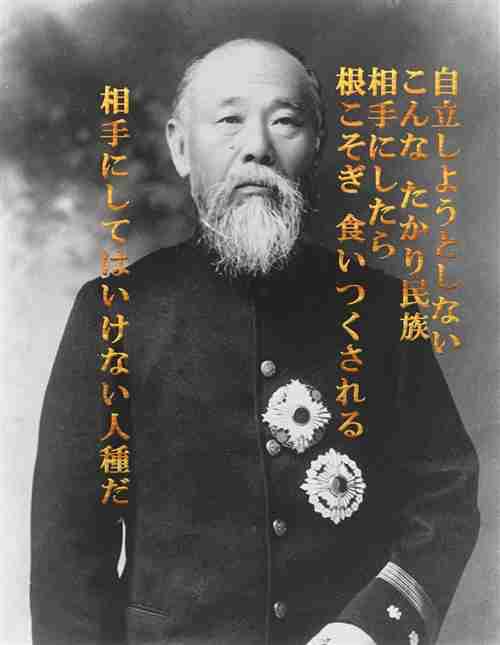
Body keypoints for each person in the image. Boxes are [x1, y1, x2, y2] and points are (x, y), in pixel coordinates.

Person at [31, 38, 480, 645]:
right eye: (229, 121)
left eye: (285, 121)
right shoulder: (112, 314)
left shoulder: (380, 309)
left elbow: (444, 494)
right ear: (180, 148)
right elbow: (68, 557)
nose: (257, 147)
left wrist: (372, 627)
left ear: (316, 144)